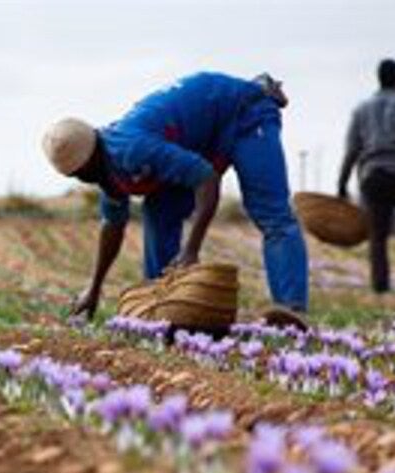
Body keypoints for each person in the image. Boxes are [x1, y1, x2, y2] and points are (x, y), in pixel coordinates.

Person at [43, 72, 309, 324]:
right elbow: (112, 225)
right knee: (158, 211)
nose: (82, 181)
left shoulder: (130, 149)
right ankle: (164, 308)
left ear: (90, 161)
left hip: (242, 113)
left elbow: (206, 179)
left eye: (80, 174)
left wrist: (191, 249)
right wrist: (94, 288)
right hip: (198, 140)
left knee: (271, 213)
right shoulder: (106, 168)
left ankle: (291, 311)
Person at [338, 58, 395, 294]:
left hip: (374, 176)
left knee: (378, 236)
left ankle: (380, 286)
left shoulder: (362, 109)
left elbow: (352, 150)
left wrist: (342, 184)